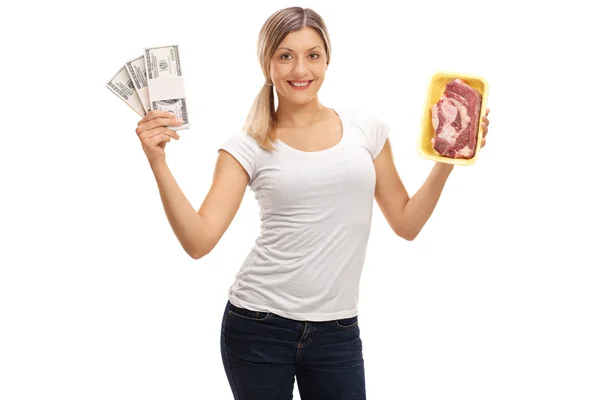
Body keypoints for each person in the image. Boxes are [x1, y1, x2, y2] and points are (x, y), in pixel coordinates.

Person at [134, 6, 491, 400]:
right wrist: (158, 161)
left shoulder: (365, 131)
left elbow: (406, 224)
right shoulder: (247, 146)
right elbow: (199, 241)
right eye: (285, 55)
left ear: (327, 59)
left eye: (313, 54)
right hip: (258, 326)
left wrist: (449, 157)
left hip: (337, 332)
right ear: (266, 62)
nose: (300, 69)